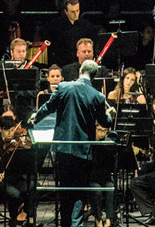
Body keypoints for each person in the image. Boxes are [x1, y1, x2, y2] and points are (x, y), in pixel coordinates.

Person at [30, 59, 113, 227]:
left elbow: (48, 107)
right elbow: (105, 123)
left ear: (80, 70)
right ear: (95, 75)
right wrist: (110, 113)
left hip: (63, 148)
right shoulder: (98, 96)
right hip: (82, 152)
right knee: (79, 192)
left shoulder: (63, 87)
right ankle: (76, 224)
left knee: (64, 190)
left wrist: (34, 118)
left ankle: (65, 224)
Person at [40, 0, 96, 68]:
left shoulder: (87, 26)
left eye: (77, 10)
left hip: (81, 64)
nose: (76, 14)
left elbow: (92, 45)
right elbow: (50, 47)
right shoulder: (55, 26)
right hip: (61, 64)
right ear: (66, 11)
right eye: (72, 12)